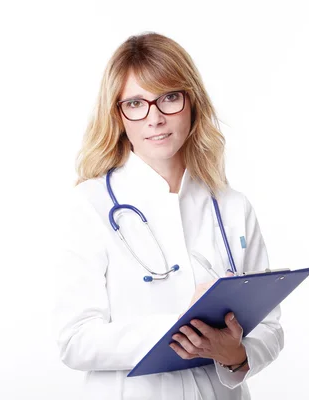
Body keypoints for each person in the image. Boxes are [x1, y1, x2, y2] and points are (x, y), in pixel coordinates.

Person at [53, 32, 284, 400]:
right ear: (118, 115)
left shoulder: (232, 206)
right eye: (135, 104)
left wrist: (236, 355)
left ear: (192, 102)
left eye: (169, 98)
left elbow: (270, 327)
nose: (155, 118)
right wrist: (179, 330)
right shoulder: (91, 204)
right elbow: (75, 339)